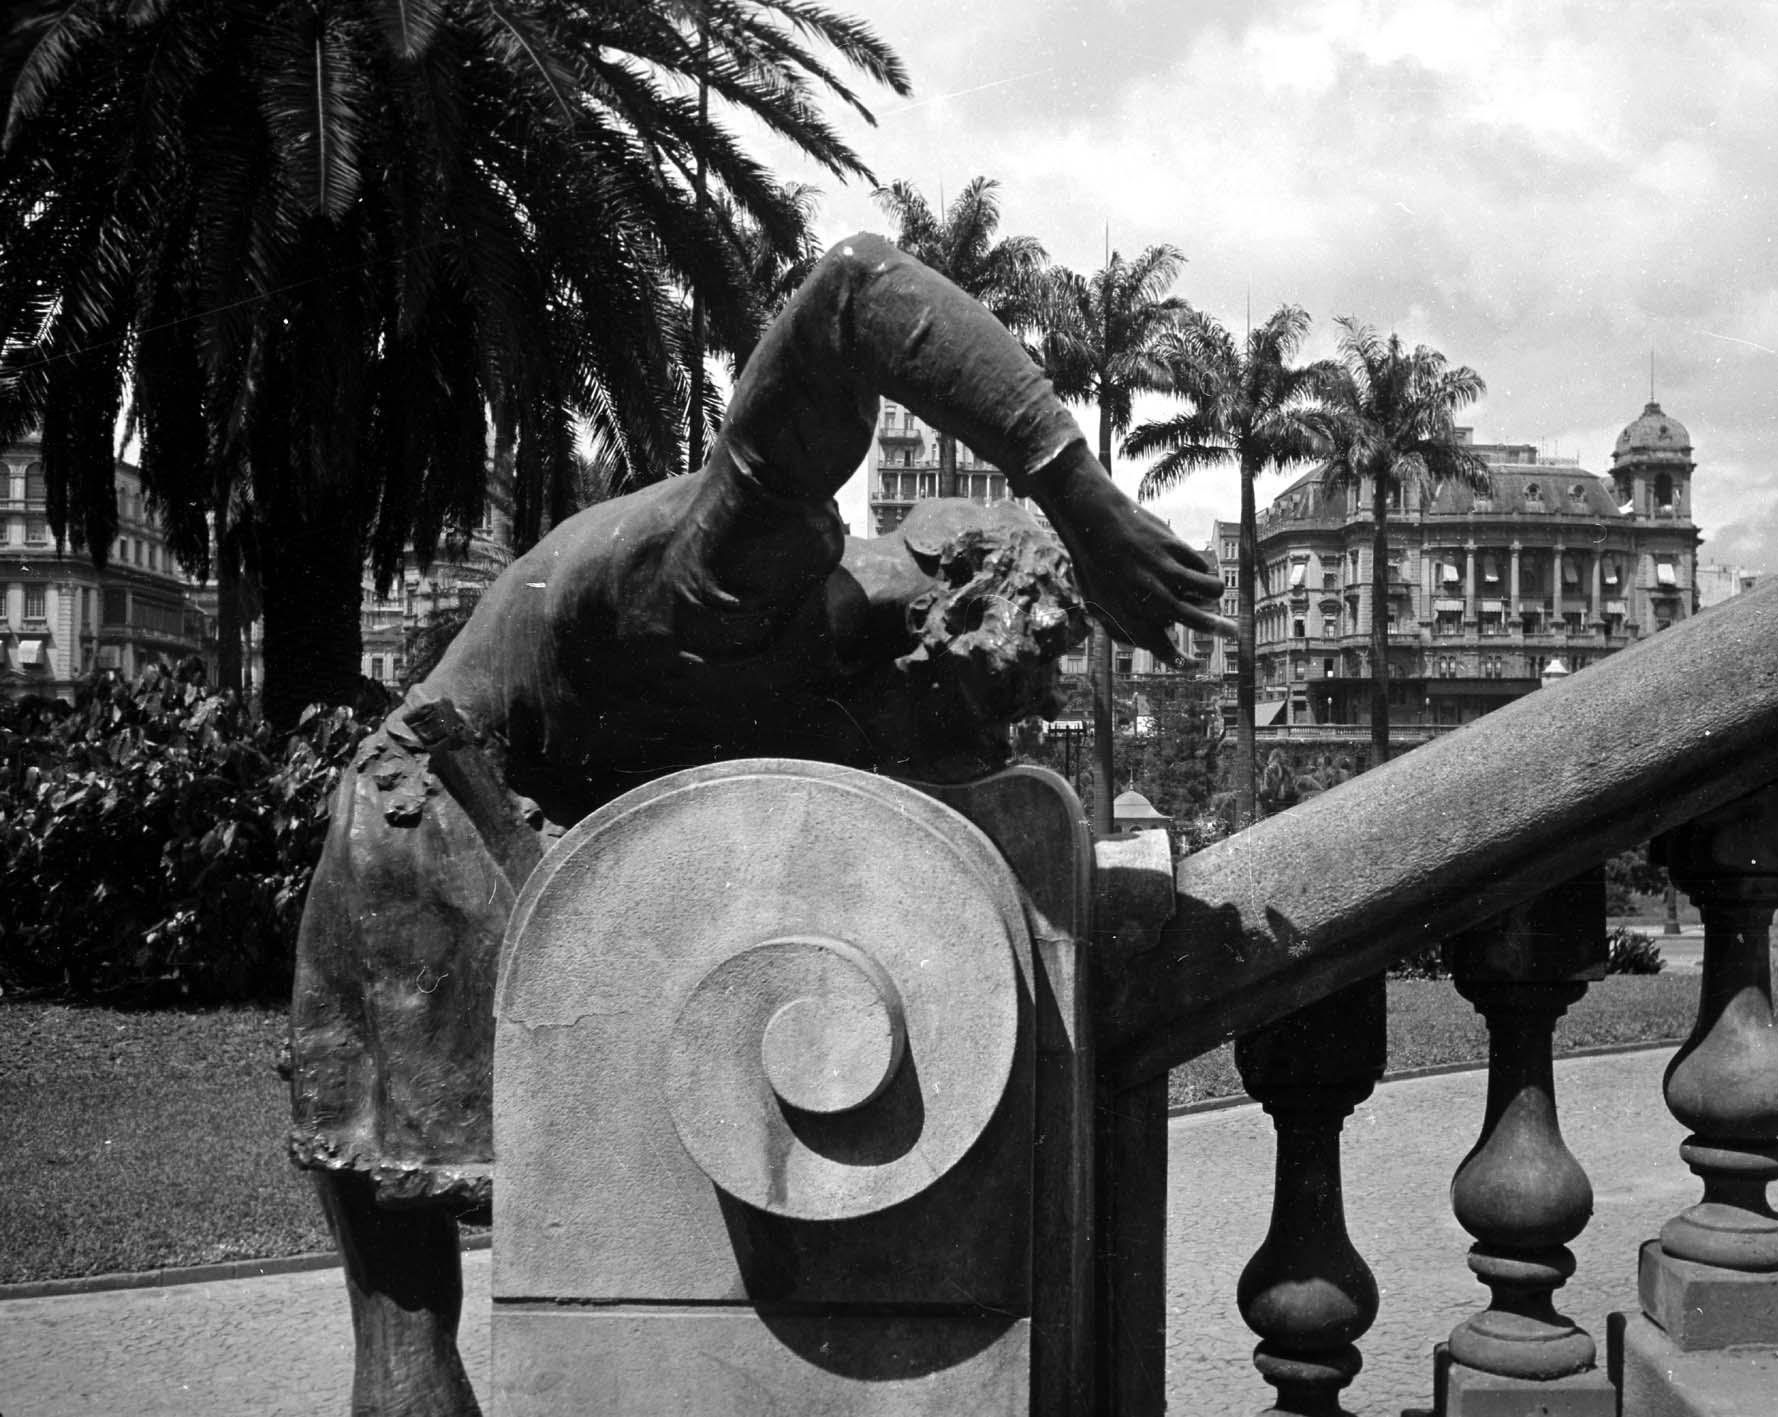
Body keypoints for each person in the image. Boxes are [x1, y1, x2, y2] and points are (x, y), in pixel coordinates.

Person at [287, 232, 1228, 1416]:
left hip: (567, 843)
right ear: (931, 612)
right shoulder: (739, 559)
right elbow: (852, 286)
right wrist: (1081, 497)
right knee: (413, 1340)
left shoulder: (835, 687)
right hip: (432, 817)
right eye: (952, 709)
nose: (938, 746)